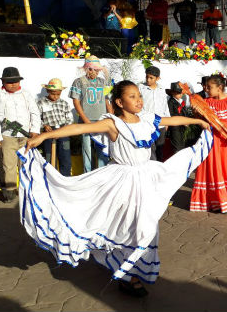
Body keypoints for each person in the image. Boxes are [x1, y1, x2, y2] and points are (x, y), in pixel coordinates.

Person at [21, 80, 211, 297]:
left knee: (146, 226)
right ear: (119, 102)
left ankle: (130, 268)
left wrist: (197, 120)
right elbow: (79, 128)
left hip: (146, 177)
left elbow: (173, 120)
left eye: (139, 95)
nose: (138, 100)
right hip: (123, 180)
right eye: (132, 96)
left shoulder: (148, 119)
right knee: (128, 225)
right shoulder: (113, 124)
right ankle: (128, 274)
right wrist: (45, 135)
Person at [190, 75, 227, 213]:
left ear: (219, 87)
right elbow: (201, 120)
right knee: (212, 168)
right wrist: (195, 112)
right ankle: (215, 201)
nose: (207, 89)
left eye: (210, 87)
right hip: (211, 139)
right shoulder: (206, 102)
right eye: (206, 87)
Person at [0, 67, 41, 203]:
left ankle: (27, 190)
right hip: (7, 136)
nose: (13, 84)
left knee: (26, 164)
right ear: (3, 82)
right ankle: (9, 194)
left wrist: (35, 130)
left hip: (25, 136)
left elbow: (34, 112)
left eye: (15, 81)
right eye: (9, 82)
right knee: (8, 165)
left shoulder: (26, 94)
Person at [69, 56, 112, 173]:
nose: (95, 73)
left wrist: (112, 116)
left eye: (97, 70)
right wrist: (85, 119)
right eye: (93, 70)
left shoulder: (103, 82)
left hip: (101, 120)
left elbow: (107, 101)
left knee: (102, 147)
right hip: (86, 120)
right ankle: (87, 173)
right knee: (87, 149)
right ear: (87, 69)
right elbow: (76, 102)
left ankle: (102, 173)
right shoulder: (78, 82)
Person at [38, 78, 73, 176]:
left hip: (63, 131)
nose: (55, 96)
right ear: (48, 91)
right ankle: (51, 179)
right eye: (53, 94)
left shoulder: (64, 103)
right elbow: (36, 118)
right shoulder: (41, 103)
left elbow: (69, 119)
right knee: (49, 157)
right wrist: (44, 125)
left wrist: (63, 130)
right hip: (48, 132)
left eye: (58, 94)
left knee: (65, 157)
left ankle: (65, 178)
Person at [139, 66, 170, 161]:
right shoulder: (141, 88)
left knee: (160, 149)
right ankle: (152, 171)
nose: (148, 80)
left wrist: (167, 122)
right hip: (147, 124)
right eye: (147, 77)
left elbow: (165, 105)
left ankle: (159, 171)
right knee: (150, 150)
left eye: (151, 78)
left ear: (157, 78)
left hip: (161, 124)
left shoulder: (161, 89)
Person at [166, 82, 187, 153]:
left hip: (182, 127)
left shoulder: (182, 102)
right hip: (175, 127)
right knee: (177, 146)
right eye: (178, 93)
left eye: (181, 93)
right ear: (173, 93)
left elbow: (185, 113)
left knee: (183, 145)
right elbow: (171, 114)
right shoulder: (171, 102)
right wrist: (182, 120)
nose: (181, 94)